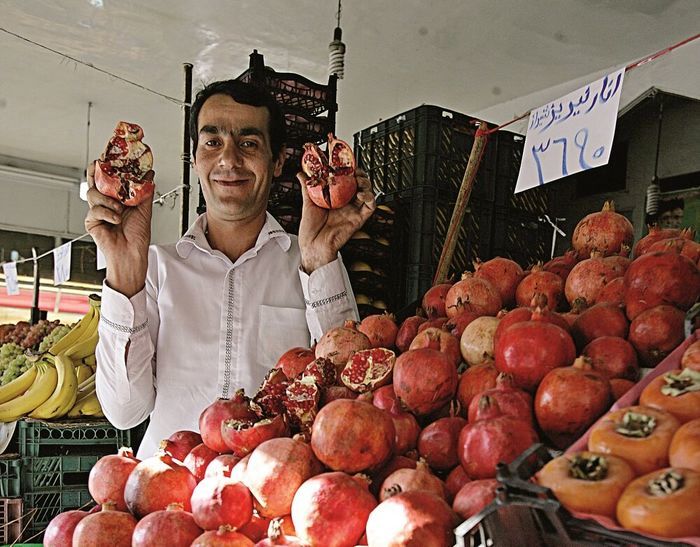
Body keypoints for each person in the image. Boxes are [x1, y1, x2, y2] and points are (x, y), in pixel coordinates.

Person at [85, 80, 376, 457]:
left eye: (249, 143)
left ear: (278, 162)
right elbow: (125, 412)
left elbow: (348, 395)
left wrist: (321, 259)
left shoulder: (307, 265)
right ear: (194, 158)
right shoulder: (155, 269)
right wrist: (124, 270)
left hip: (270, 492)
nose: (229, 159)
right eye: (212, 142)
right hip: (167, 492)